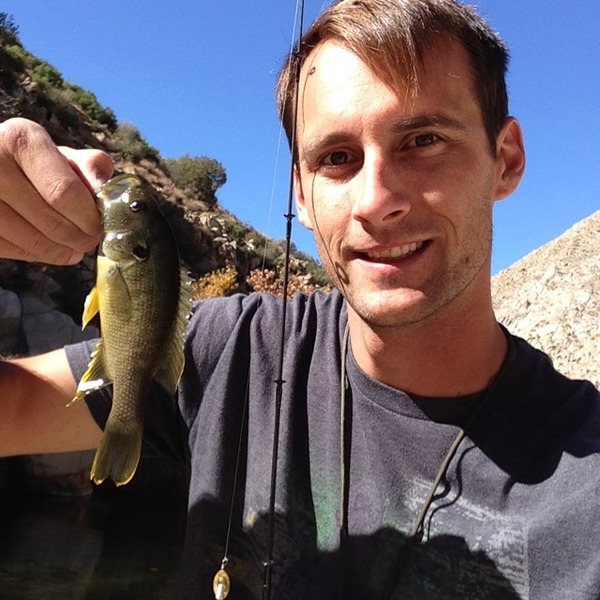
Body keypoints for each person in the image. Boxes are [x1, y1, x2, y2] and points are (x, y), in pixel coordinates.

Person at [1, 0, 599, 598]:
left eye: (424, 139)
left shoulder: (586, 487)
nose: (375, 201)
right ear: (303, 197)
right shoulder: (226, 350)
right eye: (336, 158)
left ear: (505, 160)